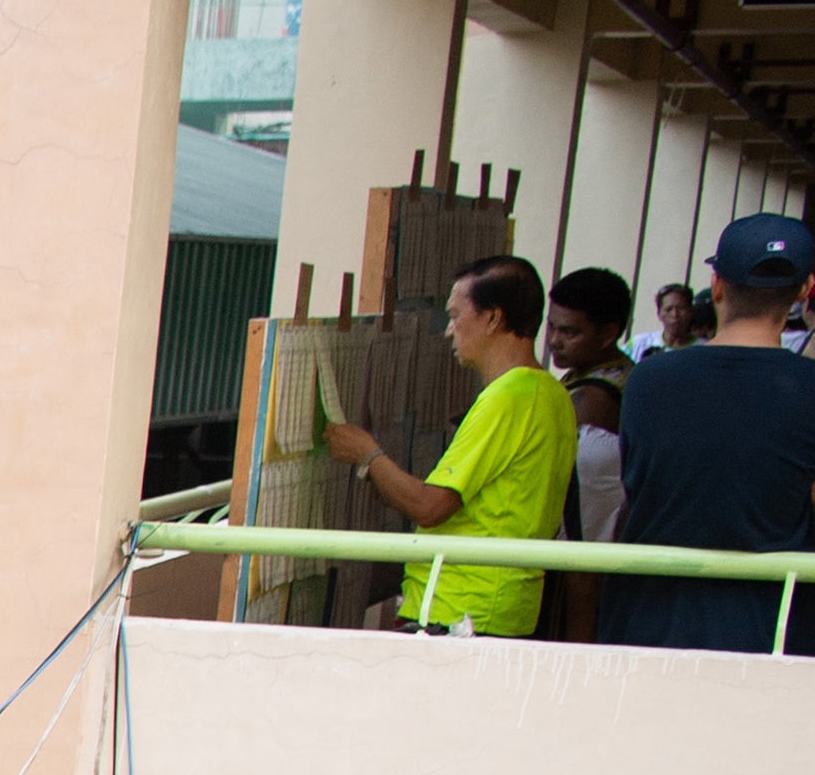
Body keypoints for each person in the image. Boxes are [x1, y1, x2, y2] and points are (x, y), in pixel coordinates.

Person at [317, 255, 568, 634]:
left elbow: (431, 506)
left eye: (455, 316)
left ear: (492, 318)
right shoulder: (551, 393)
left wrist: (367, 455)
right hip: (498, 606)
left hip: (462, 611)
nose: (449, 331)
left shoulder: (508, 397)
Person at [603, 214, 815, 651]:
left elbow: (638, 488)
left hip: (650, 622)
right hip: (774, 631)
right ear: (805, 290)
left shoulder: (648, 381)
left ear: (717, 284)